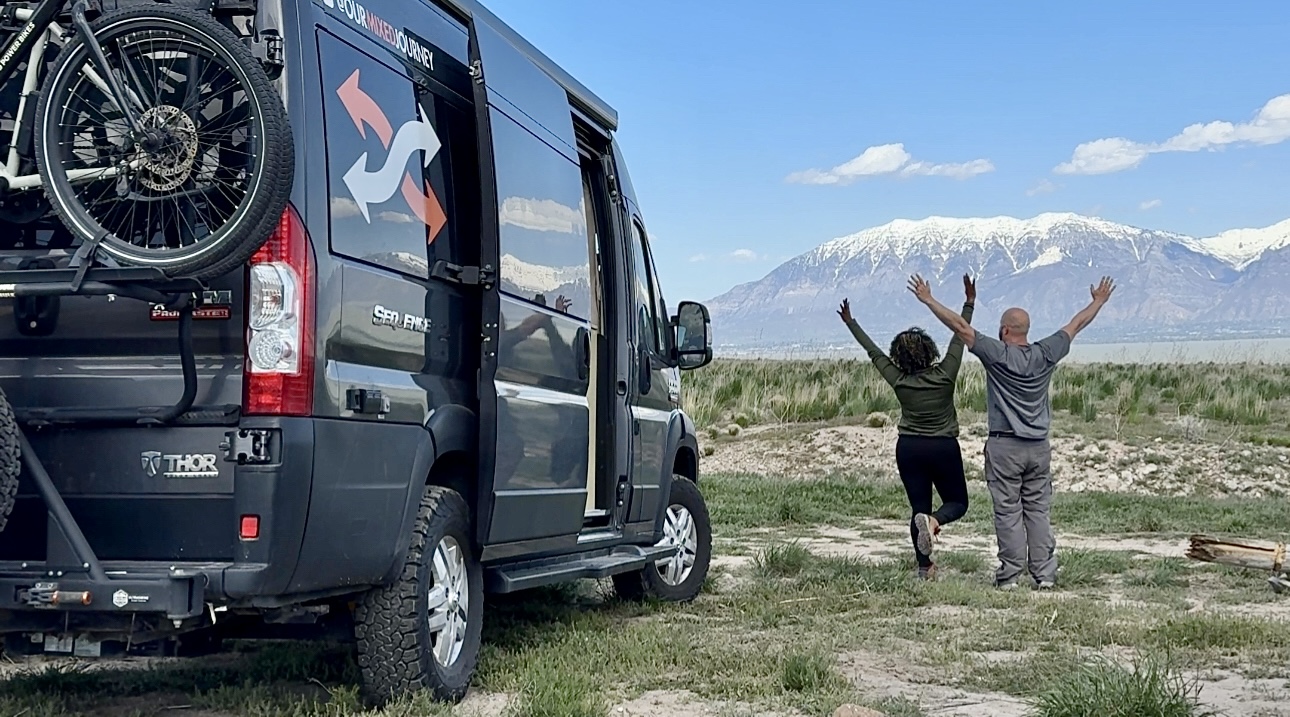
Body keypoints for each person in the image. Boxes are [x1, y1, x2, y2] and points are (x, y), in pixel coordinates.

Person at [908, 274, 1116, 590]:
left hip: (1004, 447)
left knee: (1008, 512)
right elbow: (1076, 324)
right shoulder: (1047, 352)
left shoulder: (998, 354)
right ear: (1026, 330)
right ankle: (1045, 574)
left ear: (1005, 330)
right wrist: (1098, 301)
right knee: (1038, 512)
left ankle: (1010, 575)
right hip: (1038, 447)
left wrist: (928, 299)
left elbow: (960, 328)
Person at [837, 274, 977, 580]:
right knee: (957, 502)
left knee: (918, 508)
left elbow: (873, 352)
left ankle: (924, 567)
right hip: (942, 446)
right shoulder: (946, 374)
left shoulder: (898, 379)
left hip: (909, 448)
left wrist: (851, 323)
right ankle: (935, 521)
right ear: (930, 351)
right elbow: (959, 335)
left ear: (898, 356)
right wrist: (969, 303)